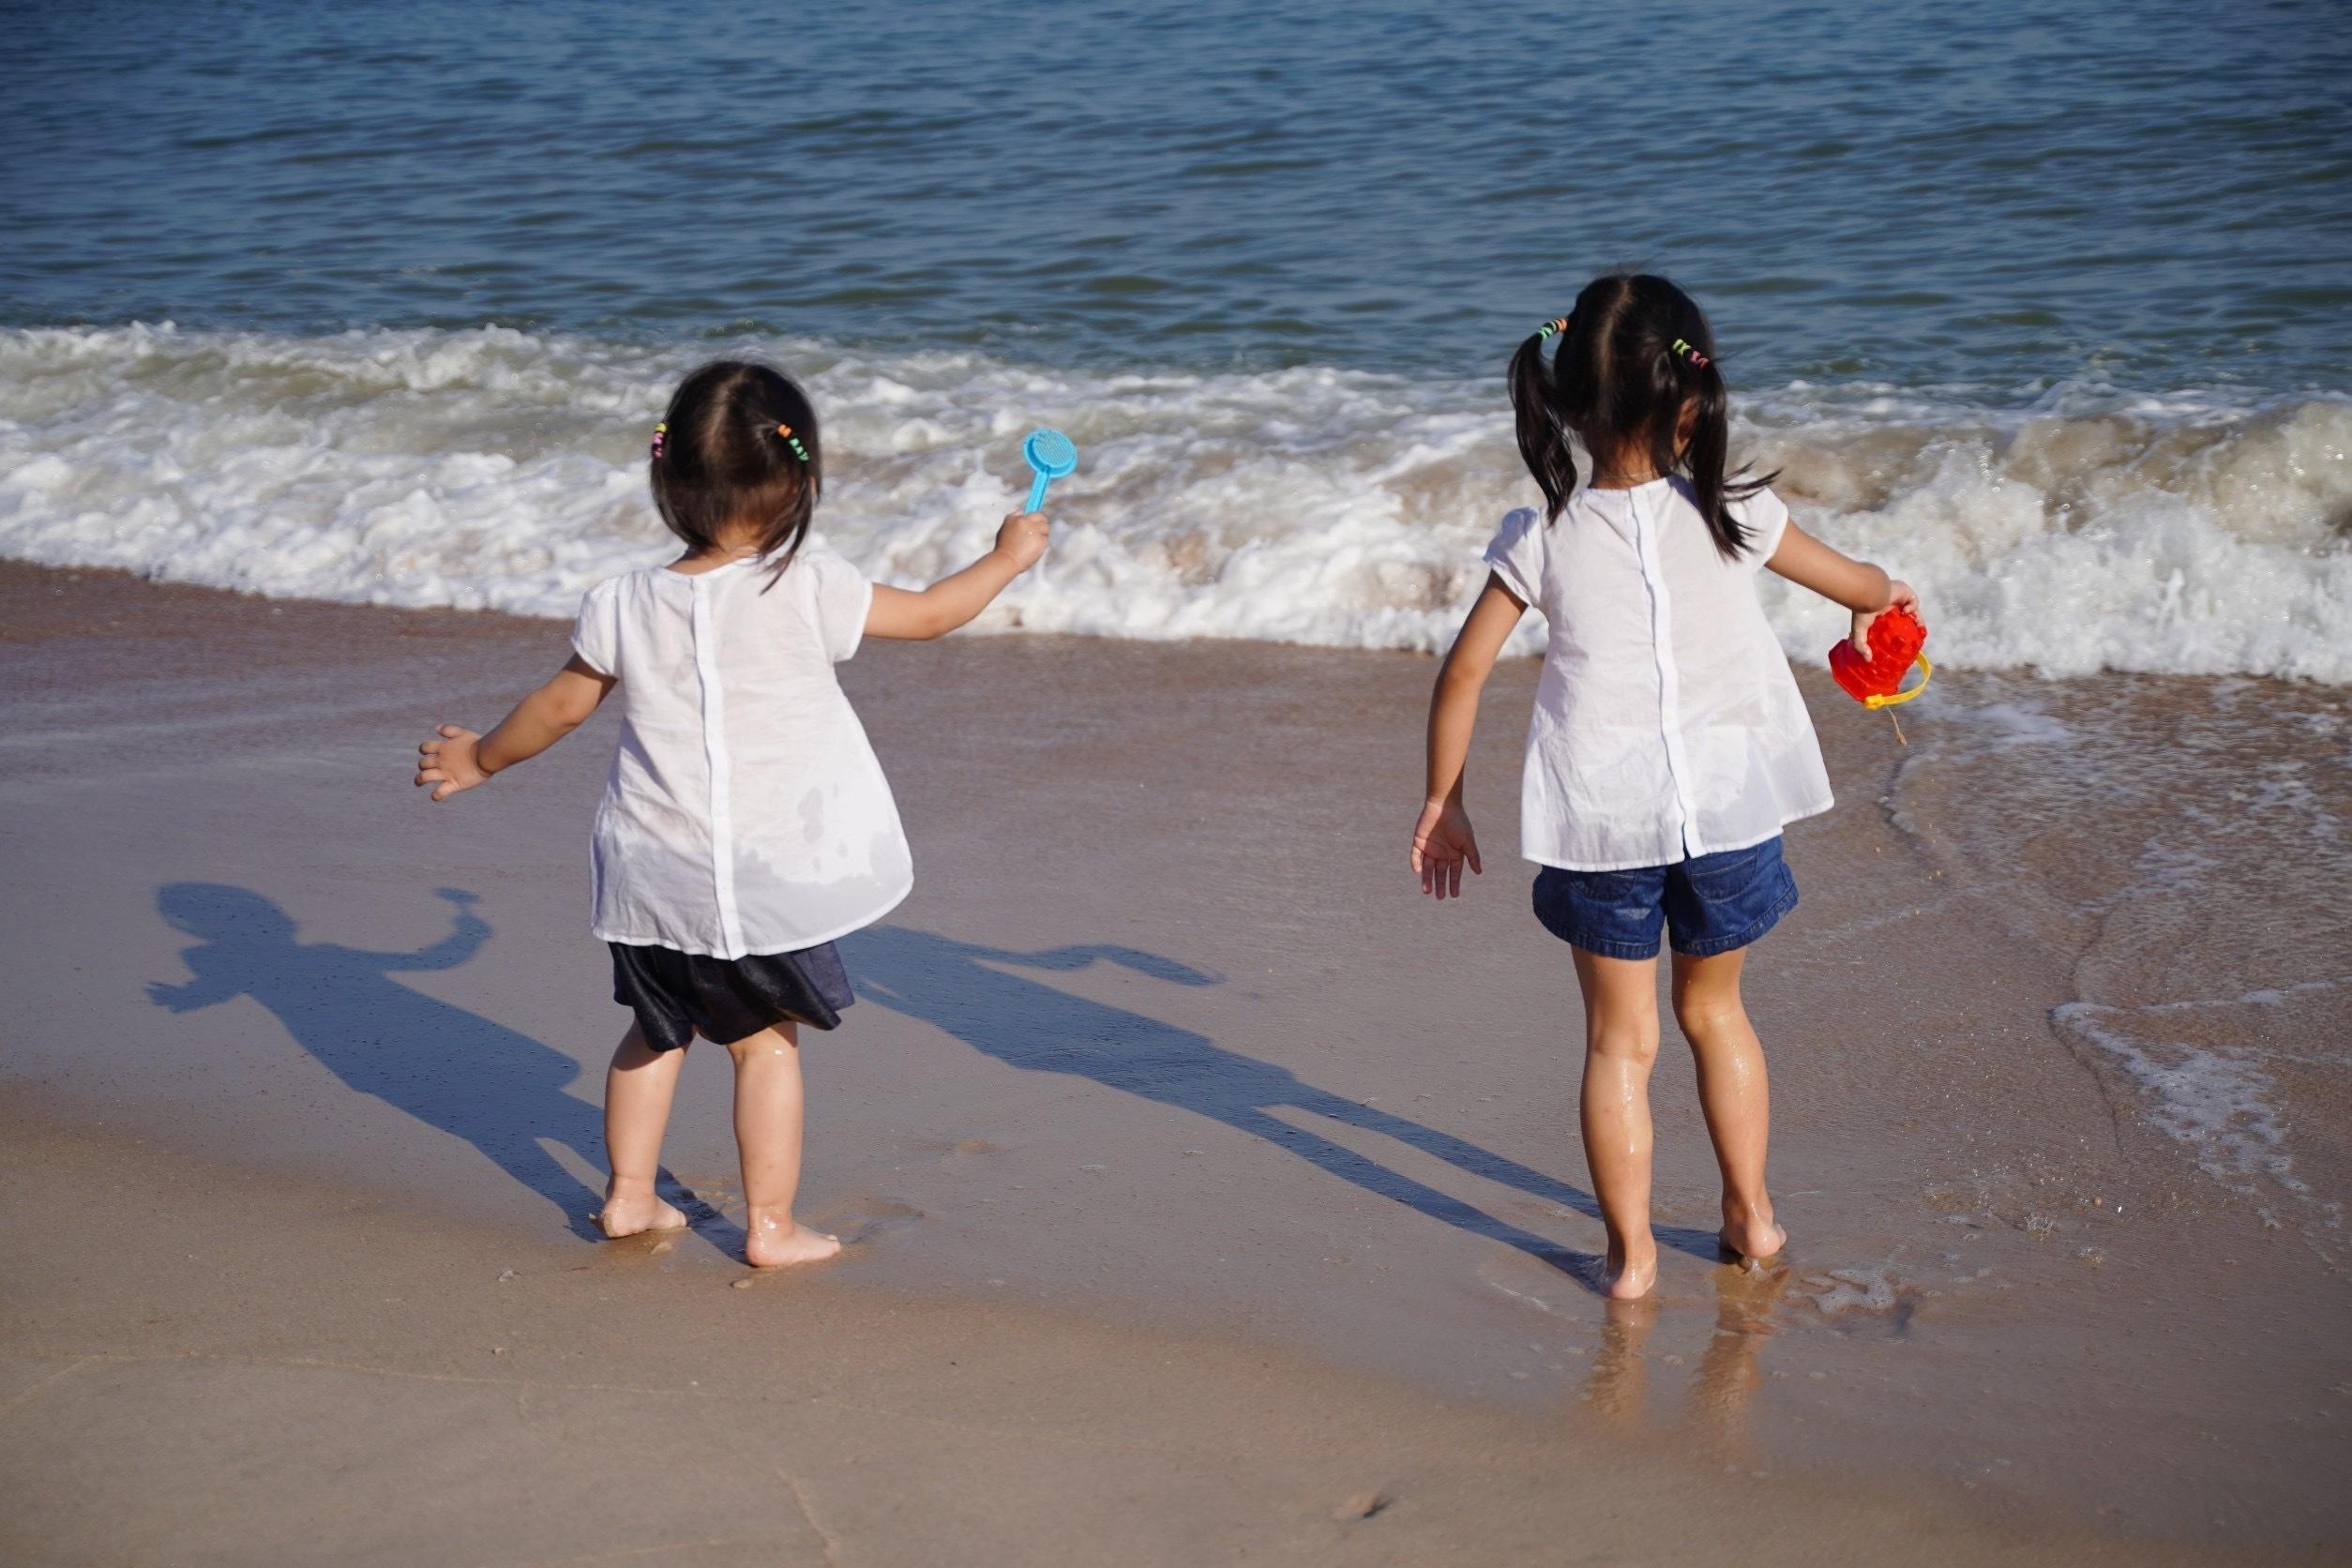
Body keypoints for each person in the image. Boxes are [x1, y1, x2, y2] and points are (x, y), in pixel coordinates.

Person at [415, 360, 1049, 1267]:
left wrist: (479, 757)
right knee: (765, 1049)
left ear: (667, 478)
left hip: (648, 870)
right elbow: (933, 615)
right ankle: (770, 1226)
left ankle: (631, 1199)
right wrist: (1007, 557)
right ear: (800, 483)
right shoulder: (808, 586)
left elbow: (559, 708)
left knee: (654, 1031)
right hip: (757, 883)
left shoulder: (624, 601)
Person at [1410, 275, 1919, 1300]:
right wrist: (1886, 601)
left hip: (1603, 823)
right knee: (1717, 1015)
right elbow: (1863, 583)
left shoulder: (1539, 535)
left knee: (1618, 1043)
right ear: (1691, 401)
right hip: (1727, 812)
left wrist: (1443, 800)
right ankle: (1752, 1217)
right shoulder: (1738, 510)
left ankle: (1633, 1259)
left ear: (1562, 404)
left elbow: (1462, 672)